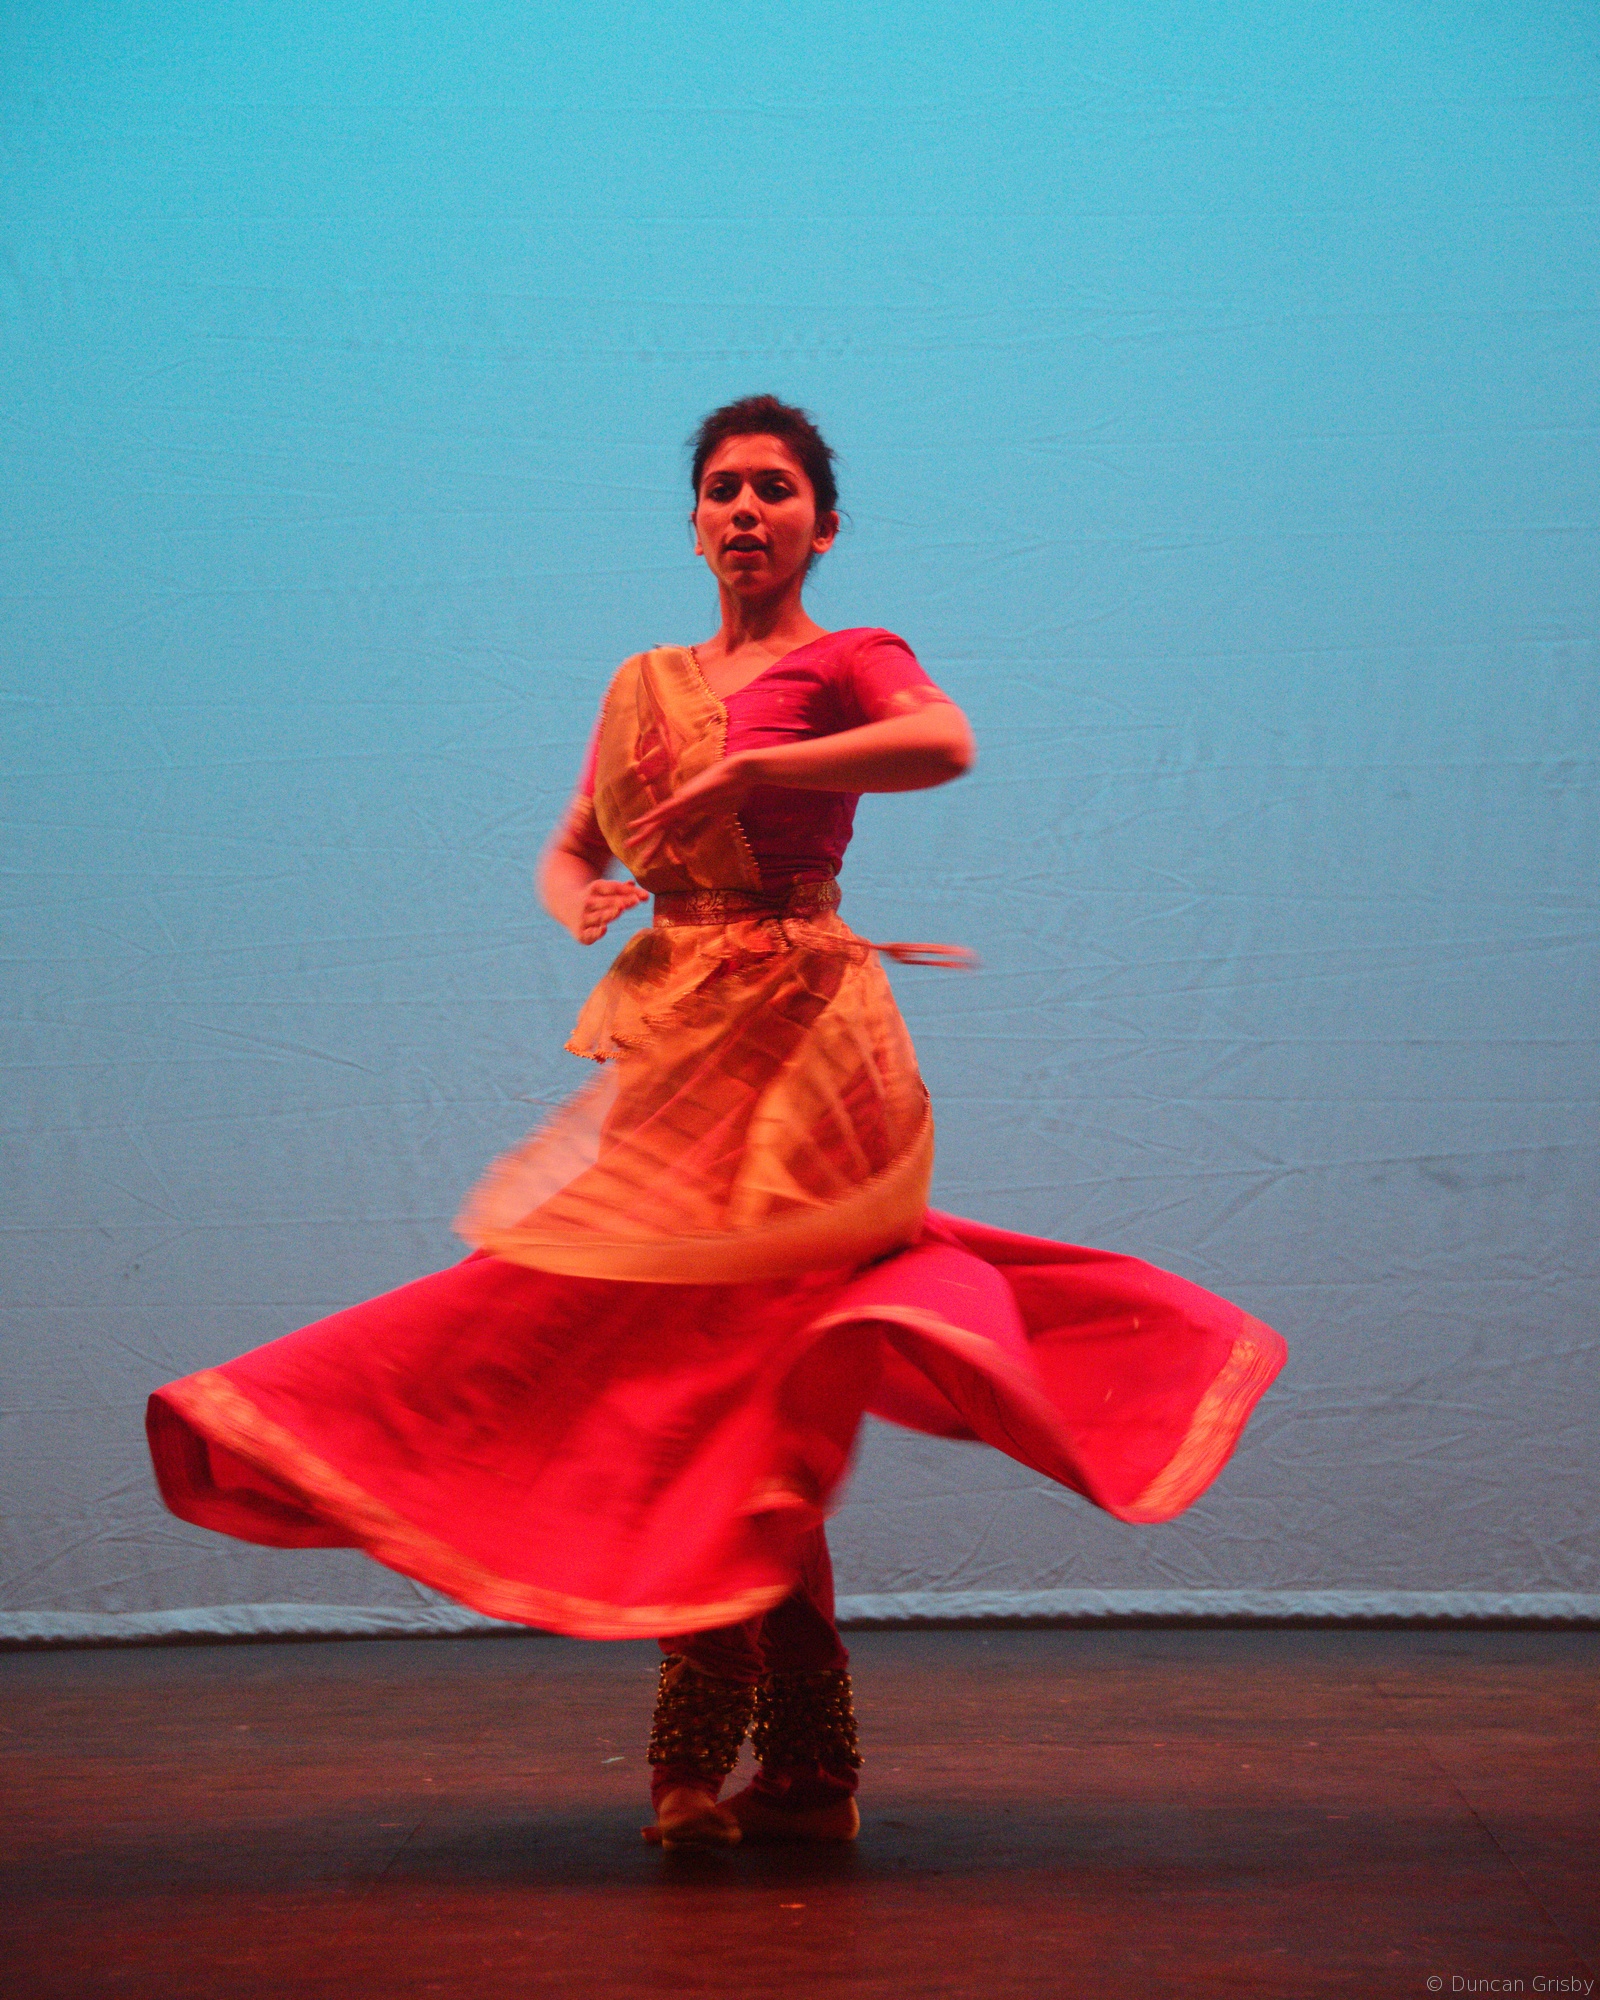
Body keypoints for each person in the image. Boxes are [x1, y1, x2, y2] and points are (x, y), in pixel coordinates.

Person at [146, 394, 1286, 1852]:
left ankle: (723, 1750)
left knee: (755, 1376)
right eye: (724, 489)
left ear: (823, 524)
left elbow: (943, 743)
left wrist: (761, 770)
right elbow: (571, 847)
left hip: (809, 1054)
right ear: (693, 523)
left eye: (775, 489)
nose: (747, 509)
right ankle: (796, 1758)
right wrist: (583, 901)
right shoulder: (643, 683)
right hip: (677, 1052)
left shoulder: (849, 658)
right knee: (703, 1382)